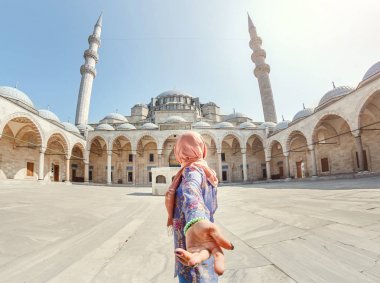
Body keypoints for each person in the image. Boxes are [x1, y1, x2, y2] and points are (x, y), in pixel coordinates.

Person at [165, 131, 234, 283]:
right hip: (202, 240)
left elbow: (191, 191)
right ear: (201, 148)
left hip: (192, 239)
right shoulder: (207, 173)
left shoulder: (192, 170)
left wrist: (195, 219)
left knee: (194, 274)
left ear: (178, 153)